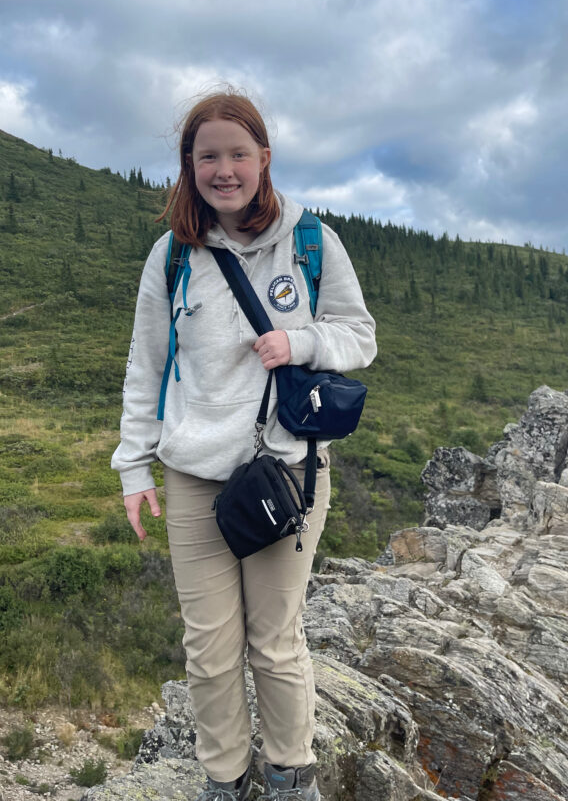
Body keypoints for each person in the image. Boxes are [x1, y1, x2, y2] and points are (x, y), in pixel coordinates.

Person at [111, 90, 376, 801]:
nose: (223, 170)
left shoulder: (311, 242)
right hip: (194, 475)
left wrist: (303, 340)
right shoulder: (171, 257)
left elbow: (360, 335)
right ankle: (225, 781)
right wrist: (134, 467)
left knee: (276, 639)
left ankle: (292, 778)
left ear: (264, 158)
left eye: (237, 154)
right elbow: (147, 366)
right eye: (208, 157)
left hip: (287, 472)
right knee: (209, 647)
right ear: (188, 166)